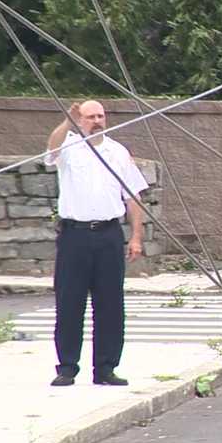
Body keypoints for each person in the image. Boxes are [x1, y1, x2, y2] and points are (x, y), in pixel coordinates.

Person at [44, 101, 147, 387]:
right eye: (90, 117)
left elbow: (133, 197)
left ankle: (105, 368)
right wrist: (67, 122)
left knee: (110, 304)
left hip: (108, 234)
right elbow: (50, 151)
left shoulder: (118, 152)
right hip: (74, 235)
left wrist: (136, 236)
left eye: (100, 116)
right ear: (80, 119)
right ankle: (67, 367)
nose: (97, 121)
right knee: (69, 302)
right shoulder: (69, 147)